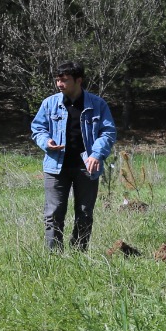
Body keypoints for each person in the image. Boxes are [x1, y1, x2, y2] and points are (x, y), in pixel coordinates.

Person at [30, 62, 117, 251]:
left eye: (64, 80)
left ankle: (79, 253)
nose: (59, 84)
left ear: (79, 80)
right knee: (53, 213)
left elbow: (108, 132)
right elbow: (37, 128)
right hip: (55, 166)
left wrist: (96, 154)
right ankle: (54, 257)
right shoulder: (49, 103)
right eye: (58, 80)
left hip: (86, 167)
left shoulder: (98, 104)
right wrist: (46, 142)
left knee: (84, 212)